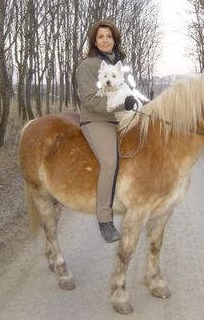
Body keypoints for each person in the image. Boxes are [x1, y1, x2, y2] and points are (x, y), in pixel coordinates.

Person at [76, 20, 137, 243]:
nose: (105, 40)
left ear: (115, 39)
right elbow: (90, 101)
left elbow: (129, 92)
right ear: (94, 40)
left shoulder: (121, 64)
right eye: (100, 36)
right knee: (110, 162)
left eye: (108, 36)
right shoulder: (88, 66)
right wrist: (122, 106)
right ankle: (104, 219)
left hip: (119, 118)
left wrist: (135, 104)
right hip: (97, 119)